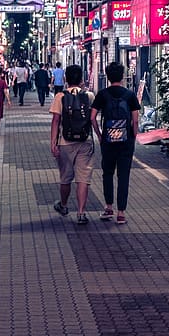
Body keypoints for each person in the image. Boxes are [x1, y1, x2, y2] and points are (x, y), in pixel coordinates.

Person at [92, 61, 141, 224]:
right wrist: (133, 136)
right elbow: (135, 120)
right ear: (122, 76)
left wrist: (99, 134)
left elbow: (92, 117)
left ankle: (108, 208)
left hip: (108, 140)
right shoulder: (129, 95)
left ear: (107, 76)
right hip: (126, 142)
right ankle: (121, 213)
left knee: (107, 173)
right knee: (123, 176)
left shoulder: (102, 94)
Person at [50, 63, 95, 224]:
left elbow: (56, 121)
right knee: (83, 178)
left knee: (65, 177)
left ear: (66, 79)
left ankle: (63, 205)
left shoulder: (60, 97)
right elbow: (92, 118)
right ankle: (81, 213)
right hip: (85, 141)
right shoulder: (89, 96)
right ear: (81, 79)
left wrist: (53, 143)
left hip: (65, 142)